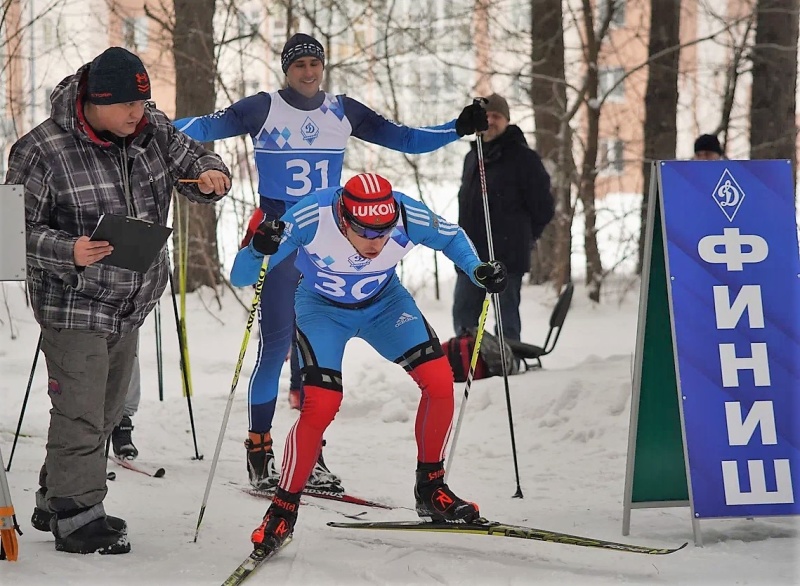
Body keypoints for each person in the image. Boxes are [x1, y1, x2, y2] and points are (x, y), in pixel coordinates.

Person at [174, 32, 488, 492]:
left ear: (322, 68)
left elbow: (404, 138)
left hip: (332, 232)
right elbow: (200, 127)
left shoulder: (342, 111)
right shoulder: (262, 108)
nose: (307, 72)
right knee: (277, 346)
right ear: (287, 70)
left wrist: (456, 128)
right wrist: (148, 126)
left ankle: (311, 455)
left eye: (314, 65)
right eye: (299, 65)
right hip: (279, 235)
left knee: (311, 361)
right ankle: (259, 447)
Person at [6, 46, 231, 555]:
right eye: (129, 105)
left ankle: (54, 495)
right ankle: (77, 518)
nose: (139, 113)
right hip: (73, 301)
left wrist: (212, 174)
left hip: (131, 300)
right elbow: (10, 233)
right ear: (96, 101)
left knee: (105, 412)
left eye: (143, 103)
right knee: (81, 412)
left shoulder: (148, 127)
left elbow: (194, 158)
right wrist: (70, 250)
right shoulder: (40, 149)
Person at [229, 172, 507, 553]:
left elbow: (451, 236)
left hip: (385, 304)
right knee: (321, 404)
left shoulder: (407, 213)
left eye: (385, 233)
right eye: (367, 234)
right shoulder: (311, 216)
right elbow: (241, 275)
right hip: (322, 310)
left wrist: (477, 270)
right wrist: (258, 248)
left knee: (440, 381)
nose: (377, 242)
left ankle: (431, 487)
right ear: (344, 219)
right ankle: (282, 510)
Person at [452, 93, 554, 343]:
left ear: (507, 120)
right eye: (486, 116)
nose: (490, 120)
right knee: (464, 317)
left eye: (496, 116)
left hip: (507, 255)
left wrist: (524, 238)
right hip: (471, 255)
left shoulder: (524, 158)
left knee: (506, 319)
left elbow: (544, 207)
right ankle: (472, 366)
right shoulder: (472, 158)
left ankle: (509, 361)